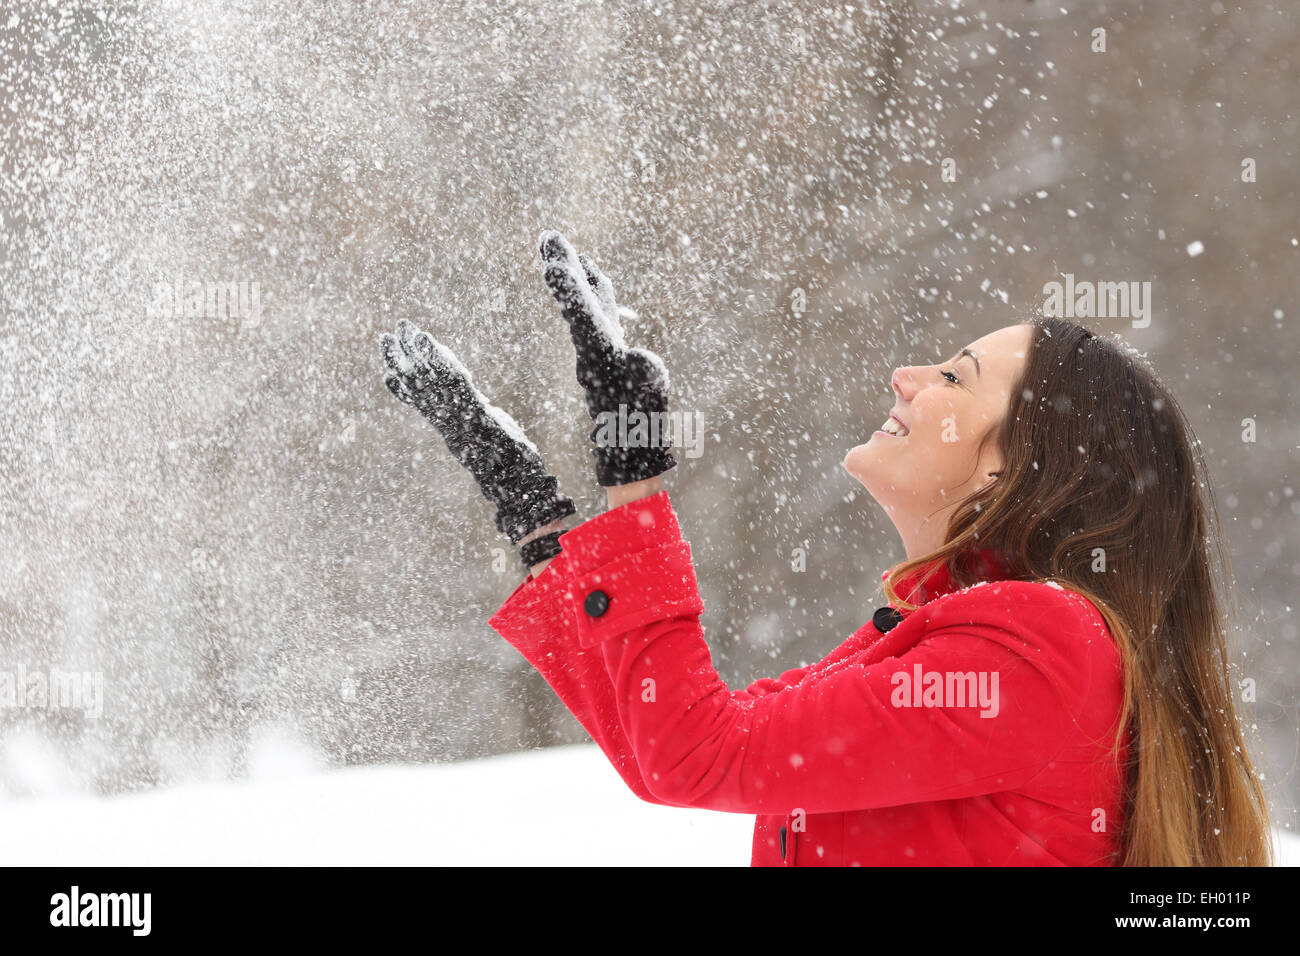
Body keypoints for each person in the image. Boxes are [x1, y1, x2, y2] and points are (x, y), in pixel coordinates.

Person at [380, 231, 1271, 866]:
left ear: (1011, 471)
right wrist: (538, 522)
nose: (907, 376)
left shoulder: (1040, 652)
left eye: (954, 377)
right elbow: (672, 748)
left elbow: (700, 753)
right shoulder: (956, 641)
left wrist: (638, 488)